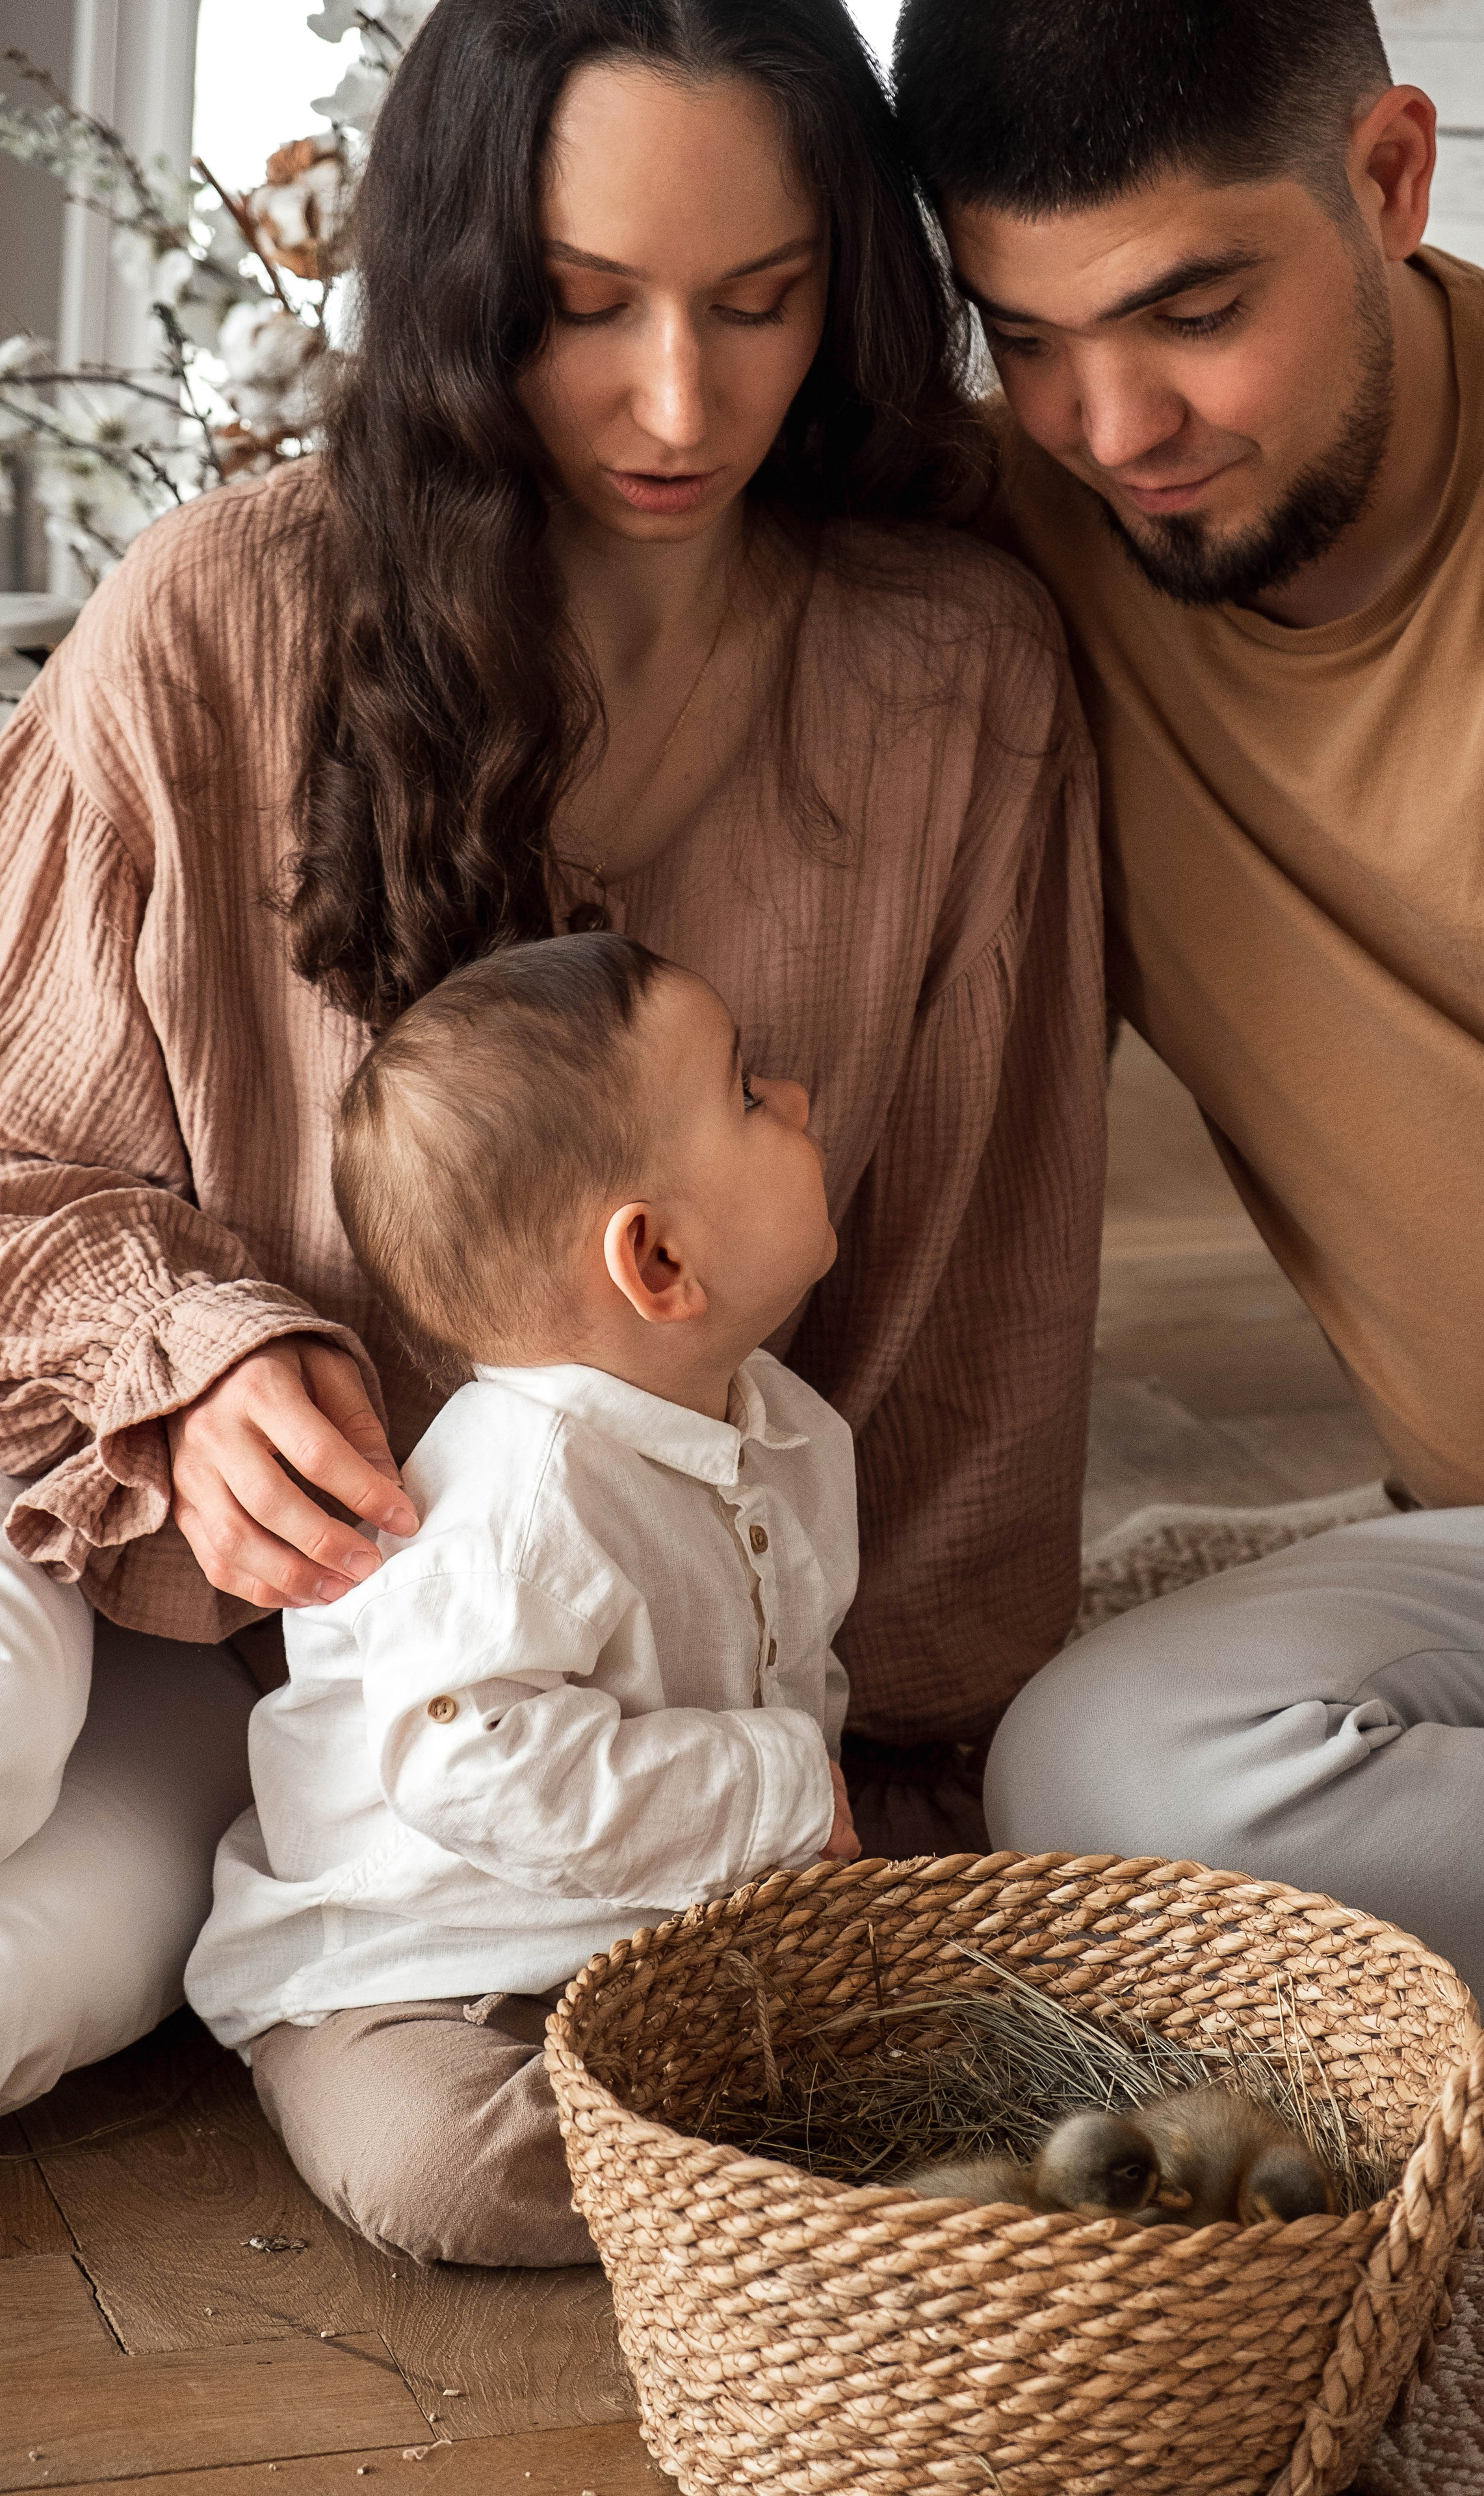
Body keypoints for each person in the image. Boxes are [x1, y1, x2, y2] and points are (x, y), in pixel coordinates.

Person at [0, 0, 1106, 2115]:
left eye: (759, 305)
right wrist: (194, 1351)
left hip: (557, 1733)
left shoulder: (953, 678)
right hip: (160, 1591)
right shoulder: (221, 617)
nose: (679, 401)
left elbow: (982, 1305)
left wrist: (858, 1790)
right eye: (581, 308)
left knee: (74, 1978)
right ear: (453, 287)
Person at [891, 0, 1484, 2098]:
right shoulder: (1014, 550)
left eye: (1192, 309)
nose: (1111, 420)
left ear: (1396, 178)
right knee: (1110, 1769)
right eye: (1024, 336)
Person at [187, 933, 861, 2264]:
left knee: (909, 2003)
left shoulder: (789, 1430)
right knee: (450, 2171)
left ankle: (719, 2133)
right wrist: (782, 1791)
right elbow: (473, 1763)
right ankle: (725, 2170)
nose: (796, 1102)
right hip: (418, 1962)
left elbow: (788, 1659)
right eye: (747, 1095)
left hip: (652, 1918)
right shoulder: (521, 1493)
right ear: (655, 1261)